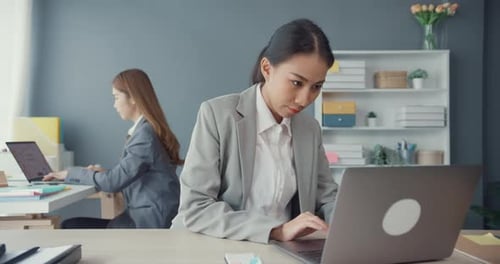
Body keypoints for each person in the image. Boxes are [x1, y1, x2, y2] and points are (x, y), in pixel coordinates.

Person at [174, 18, 338, 243]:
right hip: (215, 244)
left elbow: (327, 197)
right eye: (297, 83)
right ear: (267, 68)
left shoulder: (309, 129)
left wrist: (350, 223)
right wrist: (275, 230)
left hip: (284, 250)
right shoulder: (217, 115)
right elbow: (196, 206)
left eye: (316, 87)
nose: (304, 99)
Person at [43, 69, 182, 229]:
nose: (114, 105)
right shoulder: (146, 131)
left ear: (133, 98)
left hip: (148, 223)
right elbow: (125, 174)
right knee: (72, 224)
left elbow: (112, 183)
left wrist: (70, 173)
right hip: (147, 218)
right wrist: (102, 173)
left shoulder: (144, 136)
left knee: (70, 225)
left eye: (116, 97)